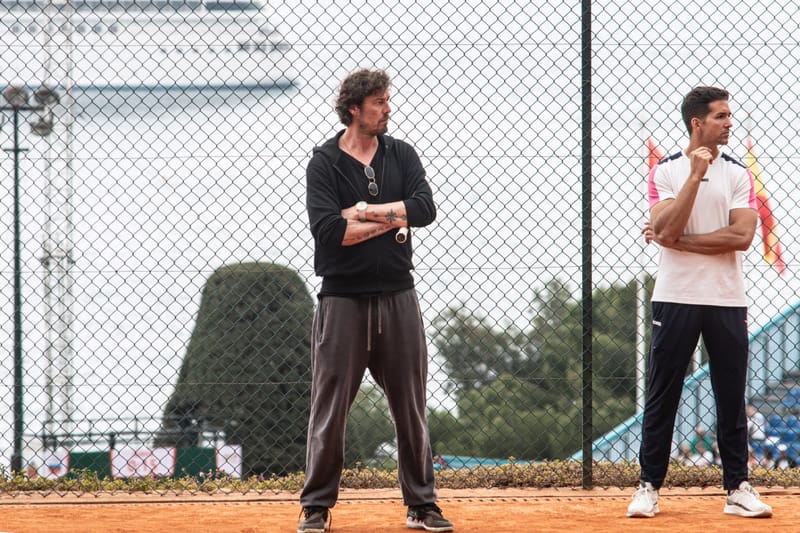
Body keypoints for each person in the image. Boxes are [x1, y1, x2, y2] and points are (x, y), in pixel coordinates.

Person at [298, 68, 453, 533]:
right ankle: (316, 507)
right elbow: (330, 233)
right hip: (342, 301)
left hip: (398, 296)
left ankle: (422, 505)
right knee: (329, 410)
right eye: (379, 102)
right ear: (354, 109)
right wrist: (394, 214)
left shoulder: (401, 154)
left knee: (411, 407)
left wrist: (364, 213)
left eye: (388, 100)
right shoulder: (323, 163)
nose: (388, 109)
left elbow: (424, 209)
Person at [627, 86, 772, 519]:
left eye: (729, 116)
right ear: (698, 123)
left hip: (727, 299)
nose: (729, 122)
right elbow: (665, 223)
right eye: (721, 116)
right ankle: (648, 487)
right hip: (675, 297)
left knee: (731, 396)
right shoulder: (666, 172)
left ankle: (738, 489)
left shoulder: (738, 174)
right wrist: (694, 175)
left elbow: (741, 236)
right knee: (662, 395)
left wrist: (678, 240)